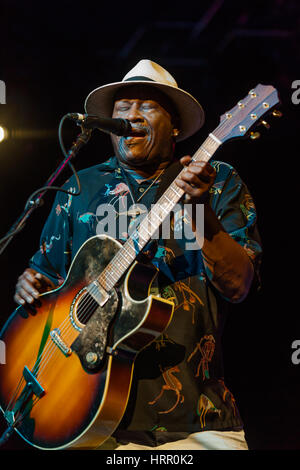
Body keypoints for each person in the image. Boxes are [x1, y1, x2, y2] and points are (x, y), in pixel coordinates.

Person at [14, 59, 262, 450]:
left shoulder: (217, 182)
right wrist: (31, 285)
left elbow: (238, 285)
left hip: (195, 423)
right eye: (122, 108)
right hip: (84, 417)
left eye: (146, 106)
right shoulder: (79, 187)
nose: (131, 115)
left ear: (176, 124)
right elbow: (46, 278)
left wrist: (200, 212)